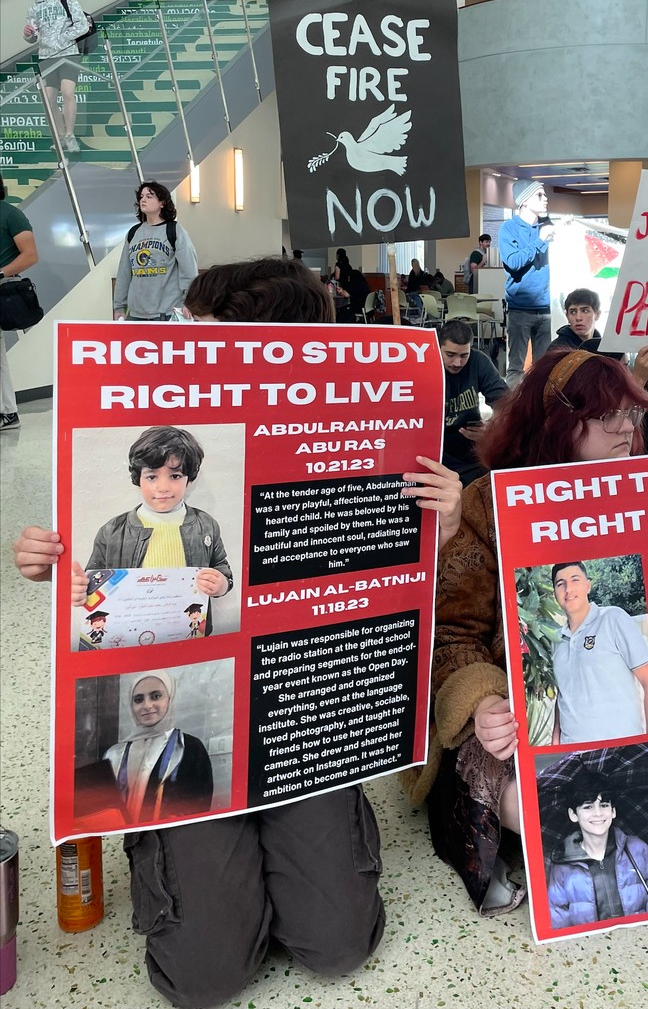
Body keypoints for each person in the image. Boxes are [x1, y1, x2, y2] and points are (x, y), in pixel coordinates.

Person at [13, 256, 462, 1008]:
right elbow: (96, 602)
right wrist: (52, 568)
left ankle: (268, 859)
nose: (186, 345)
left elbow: (388, 592)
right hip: (193, 702)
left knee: (340, 945)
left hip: (303, 716)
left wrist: (439, 526)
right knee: (205, 975)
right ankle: (205, 860)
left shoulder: (340, 435)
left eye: (204, 333)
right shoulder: (126, 508)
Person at [401, 348, 648, 916]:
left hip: (609, 702)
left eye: (632, 416)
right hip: (521, 704)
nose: (625, 430)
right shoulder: (488, 503)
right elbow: (455, 631)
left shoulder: (645, 495)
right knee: (524, 790)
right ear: (560, 419)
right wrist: (483, 699)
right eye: (606, 416)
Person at [81, 425, 233, 635]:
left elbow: (221, 567)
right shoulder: (113, 530)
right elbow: (93, 582)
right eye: (152, 477)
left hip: (189, 632)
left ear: (189, 478)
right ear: (138, 479)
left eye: (175, 476)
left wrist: (222, 584)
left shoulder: (206, 525)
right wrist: (81, 590)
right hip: (128, 635)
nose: (163, 488)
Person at [549, 561, 648, 744]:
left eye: (575, 580)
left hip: (620, 749)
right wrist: (555, 741)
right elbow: (564, 694)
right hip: (573, 755)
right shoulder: (557, 640)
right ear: (555, 593)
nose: (568, 589)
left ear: (587, 585)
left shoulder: (613, 618)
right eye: (561, 584)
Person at [547, 783, 648, 929]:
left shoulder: (637, 849)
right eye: (588, 807)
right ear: (573, 815)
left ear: (613, 811)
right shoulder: (562, 865)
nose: (598, 813)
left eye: (604, 805)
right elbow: (558, 919)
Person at [105, 671, 214, 825]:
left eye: (156, 696)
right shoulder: (115, 754)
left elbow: (199, 806)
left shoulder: (190, 748)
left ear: (170, 699)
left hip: (170, 843)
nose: (147, 705)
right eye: (138, 699)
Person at [113, 182, 198, 322]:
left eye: (149, 196)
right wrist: (119, 306)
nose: (143, 200)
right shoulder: (133, 233)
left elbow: (189, 270)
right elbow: (124, 273)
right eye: (141, 197)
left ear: (162, 203)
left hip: (166, 313)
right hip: (136, 315)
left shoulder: (174, 230)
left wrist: (189, 302)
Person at [24, 0, 88, 153]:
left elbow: (82, 25)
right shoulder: (34, 9)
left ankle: (70, 134)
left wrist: (63, 38)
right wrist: (28, 33)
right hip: (46, 56)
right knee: (49, 100)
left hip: (67, 53)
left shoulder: (67, 0)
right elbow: (33, 37)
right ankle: (61, 137)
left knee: (67, 92)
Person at [499, 180, 555, 386]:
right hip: (520, 309)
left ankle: (540, 412)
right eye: (539, 195)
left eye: (545, 194)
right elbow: (513, 262)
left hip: (548, 308)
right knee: (516, 367)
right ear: (524, 201)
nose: (545, 198)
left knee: (545, 368)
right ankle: (513, 413)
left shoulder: (547, 226)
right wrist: (540, 240)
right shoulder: (509, 228)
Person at [440, 319, 508, 487]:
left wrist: (493, 427)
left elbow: (506, 402)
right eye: (450, 355)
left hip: (473, 450)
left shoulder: (478, 361)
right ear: (438, 347)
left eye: (464, 355)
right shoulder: (425, 364)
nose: (458, 363)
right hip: (437, 454)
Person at [0, 174, 39, 432]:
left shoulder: (11, 215)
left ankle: (8, 412)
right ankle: (7, 412)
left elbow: (31, 255)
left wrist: (0, 272)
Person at [548, 288, 604, 353]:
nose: (578, 318)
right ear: (567, 316)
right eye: (573, 312)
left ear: (597, 314)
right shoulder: (558, 350)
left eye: (585, 311)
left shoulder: (604, 348)